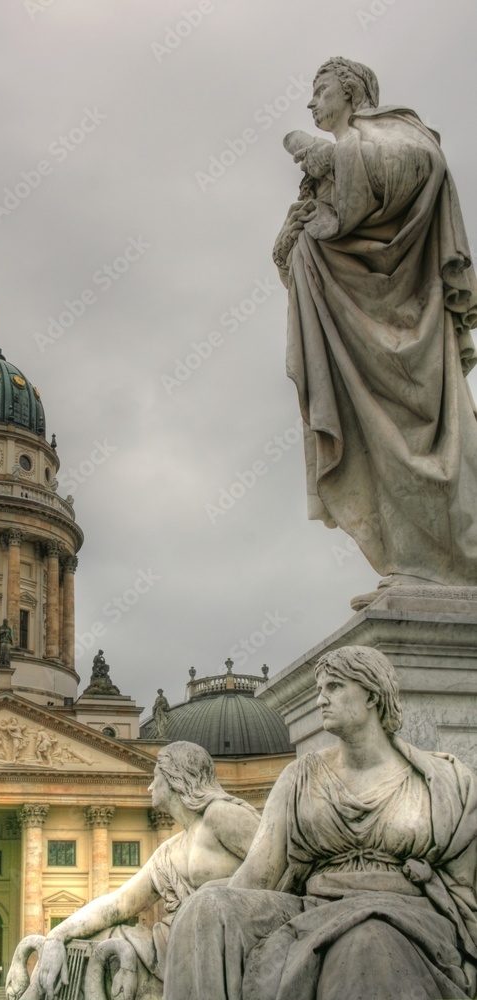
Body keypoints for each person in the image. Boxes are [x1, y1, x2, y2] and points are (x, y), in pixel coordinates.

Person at [162, 646, 477, 1000]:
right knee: (206, 909)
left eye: (335, 687)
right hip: (313, 906)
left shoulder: (441, 779)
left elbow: (463, 884)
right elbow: (256, 876)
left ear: (372, 695)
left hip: (402, 912)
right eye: (320, 689)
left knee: (364, 941)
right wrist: (199, 901)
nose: (321, 700)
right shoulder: (299, 777)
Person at [273, 58, 477, 602]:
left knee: (423, 447)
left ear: (350, 89)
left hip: (410, 326)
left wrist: (325, 153)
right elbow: (308, 255)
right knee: (377, 451)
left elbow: (422, 164)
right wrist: (291, 241)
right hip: (352, 343)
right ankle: (411, 563)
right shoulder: (330, 173)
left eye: (318, 91)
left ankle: (442, 566)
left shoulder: (394, 132)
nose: (311, 103)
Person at [5, 741, 260, 1000]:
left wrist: (214, 896)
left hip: (222, 939)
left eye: (155, 777)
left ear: (176, 778)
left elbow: (277, 874)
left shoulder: (222, 814)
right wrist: (57, 935)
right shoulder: (168, 851)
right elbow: (119, 902)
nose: (150, 786)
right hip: (172, 943)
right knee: (82, 946)